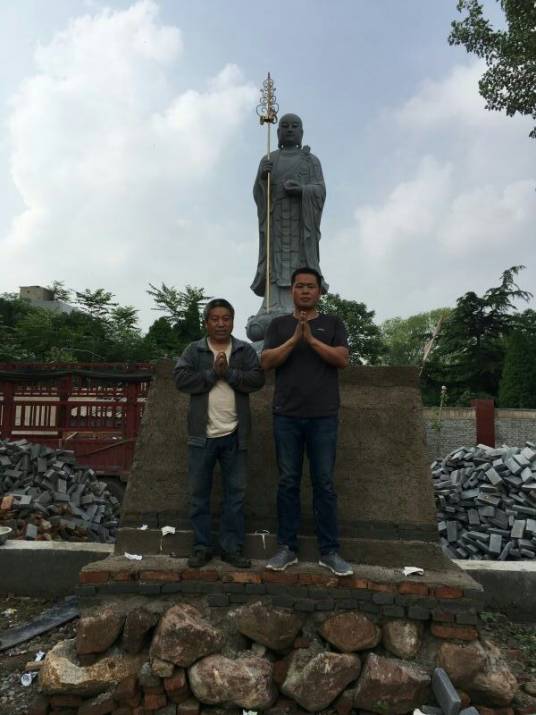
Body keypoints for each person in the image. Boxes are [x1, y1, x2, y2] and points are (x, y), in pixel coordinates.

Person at [261, 267, 354, 576]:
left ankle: (329, 551)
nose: (304, 291)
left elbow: (342, 359)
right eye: (299, 286)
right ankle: (287, 548)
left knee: (324, 484)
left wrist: (311, 340)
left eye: (310, 286)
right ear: (292, 291)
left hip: (324, 416)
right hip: (286, 415)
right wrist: (294, 339)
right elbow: (266, 362)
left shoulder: (333, 324)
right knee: (288, 482)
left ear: (319, 291)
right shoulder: (278, 325)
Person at [174, 298, 264, 568]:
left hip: (236, 434)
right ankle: (202, 547)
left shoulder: (244, 351)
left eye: (226, 318)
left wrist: (230, 375)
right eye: (215, 319)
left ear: (233, 322)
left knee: (235, 496)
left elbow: (257, 379)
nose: (221, 323)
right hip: (202, 436)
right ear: (206, 322)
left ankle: (231, 548)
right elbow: (181, 380)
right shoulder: (195, 350)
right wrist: (214, 374)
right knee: (199, 494)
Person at [251, 113, 327, 316]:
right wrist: (262, 179)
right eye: (285, 126)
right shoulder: (269, 160)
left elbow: (320, 190)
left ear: (301, 132)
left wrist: (302, 190)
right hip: (276, 225)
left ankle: (301, 308)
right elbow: (260, 196)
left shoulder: (310, 161)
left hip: (301, 225)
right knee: (274, 265)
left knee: (301, 264)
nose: (290, 130)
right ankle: (272, 305)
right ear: (277, 132)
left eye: (295, 126)